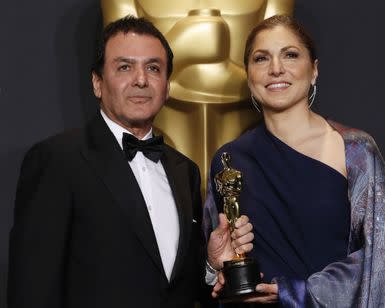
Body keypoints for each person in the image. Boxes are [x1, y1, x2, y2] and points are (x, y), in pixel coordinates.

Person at [8, 16, 252, 308]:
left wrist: (211, 264)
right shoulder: (57, 159)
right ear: (97, 83)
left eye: (153, 68)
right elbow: (33, 288)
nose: (140, 79)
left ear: (166, 86)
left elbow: (177, 285)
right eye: (125, 67)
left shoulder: (184, 170)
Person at [203, 15, 385, 307]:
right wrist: (216, 268)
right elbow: (215, 279)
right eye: (261, 58)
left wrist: (297, 292)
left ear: (314, 70)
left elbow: (382, 262)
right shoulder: (229, 161)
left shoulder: (354, 151)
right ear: (248, 74)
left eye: (290, 55)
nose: (276, 69)